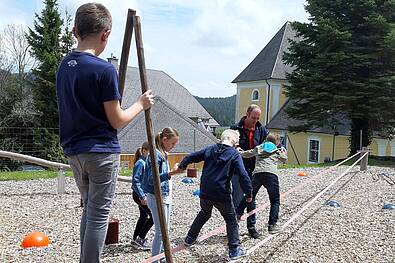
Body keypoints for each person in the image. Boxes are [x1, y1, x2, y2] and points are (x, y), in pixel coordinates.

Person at [56, 3, 154, 263]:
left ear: (75, 31)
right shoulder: (103, 69)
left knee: (89, 210)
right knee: (99, 215)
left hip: (74, 152)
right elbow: (117, 120)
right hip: (100, 152)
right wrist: (140, 104)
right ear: (106, 34)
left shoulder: (64, 66)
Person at [177, 129, 253, 260]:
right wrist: (249, 192)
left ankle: (189, 238)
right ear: (234, 142)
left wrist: (182, 166)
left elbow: (191, 157)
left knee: (204, 213)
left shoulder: (210, 149)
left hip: (205, 191)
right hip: (221, 193)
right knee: (231, 219)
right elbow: (243, 175)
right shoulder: (234, 154)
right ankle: (234, 250)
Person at [141, 127, 180, 263]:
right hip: (157, 197)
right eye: (172, 143)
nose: (174, 146)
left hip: (165, 196)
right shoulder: (156, 154)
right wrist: (171, 173)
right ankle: (155, 260)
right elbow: (153, 179)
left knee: (165, 230)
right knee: (160, 231)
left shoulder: (163, 154)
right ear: (164, 140)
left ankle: (162, 256)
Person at [236, 133, 287, 235]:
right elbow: (284, 159)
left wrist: (240, 152)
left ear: (265, 140)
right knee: (275, 200)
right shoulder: (278, 150)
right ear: (277, 143)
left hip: (257, 174)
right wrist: (283, 152)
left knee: (249, 196)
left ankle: (238, 213)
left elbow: (248, 154)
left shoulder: (259, 147)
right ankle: (272, 225)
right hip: (271, 175)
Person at [230, 104, 268, 238]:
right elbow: (227, 144)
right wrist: (235, 149)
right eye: (253, 118)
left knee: (251, 199)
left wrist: (279, 148)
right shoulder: (235, 129)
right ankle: (232, 228)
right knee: (237, 198)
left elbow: (270, 142)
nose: (255, 121)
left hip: (254, 170)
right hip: (238, 170)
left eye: (257, 118)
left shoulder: (261, 129)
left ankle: (251, 227)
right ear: (247, 114)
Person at [131, 142, 153, 250]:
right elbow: (135, 181)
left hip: (141, 194)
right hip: (139, 195)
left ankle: (135, 239)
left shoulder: (145, 162)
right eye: (150, 151)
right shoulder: (140, 163)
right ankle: (141, 238)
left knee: (144, 216)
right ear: (144, 150)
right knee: (154, 216)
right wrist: (142, 196)